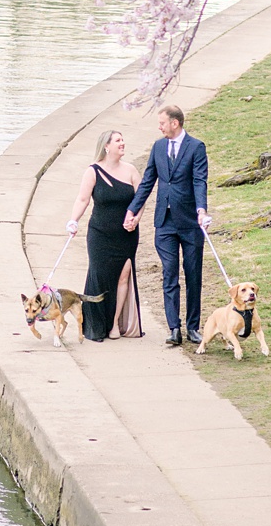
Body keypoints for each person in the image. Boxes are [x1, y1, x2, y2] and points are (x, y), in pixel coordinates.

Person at [127, 103, 209, 346]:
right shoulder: (158, 146)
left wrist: (201, 209)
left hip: (190, 223)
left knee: (193, 274)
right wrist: (132, 210)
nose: (159, 127)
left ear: (175, 123)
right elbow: (147, 182)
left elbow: (199, 180)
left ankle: (193, 327)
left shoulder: (196, 147)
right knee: (169, 273)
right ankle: (174, 328)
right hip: (164, 222)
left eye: (162, 123)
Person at [66, 128, 143, 342]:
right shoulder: (93, 171)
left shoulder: (131, 171)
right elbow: (82, 200)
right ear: (106, 146)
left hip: (126, 234)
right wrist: (73, 221)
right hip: (99, 233)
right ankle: (96, 325)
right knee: (99, 275)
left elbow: (141, 199)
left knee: (123, 276)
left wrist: (136, 219)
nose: (122, 143)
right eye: (117, 140)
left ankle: (116, 324)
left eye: (123, 139)